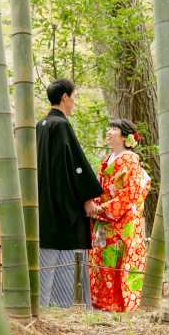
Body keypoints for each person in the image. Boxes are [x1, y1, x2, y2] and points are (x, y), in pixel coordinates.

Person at [36, 78, 103, 309]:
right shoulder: (61, 125)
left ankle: (45, 304)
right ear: (65, 96)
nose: (75, 102)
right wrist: (86, 199)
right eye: (74, 97)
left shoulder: (41, 124)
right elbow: (73, 165)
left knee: (45, 259)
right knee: (66, 252)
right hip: (60, 205)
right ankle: (64, 306)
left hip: (43, 202)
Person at [89, 119, 151, 312]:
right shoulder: (109, 159)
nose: (109, 132)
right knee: (101, 260)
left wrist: (105, 208)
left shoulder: (130, 159)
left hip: (120, 219)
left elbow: (132, 190)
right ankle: (102, 303)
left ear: (125, 137)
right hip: (103, 217)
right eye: (109, 129)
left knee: (118, 260)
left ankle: (119, 306)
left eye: (114, 129)